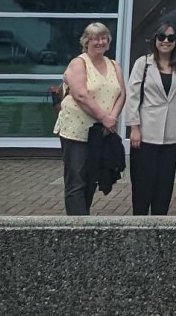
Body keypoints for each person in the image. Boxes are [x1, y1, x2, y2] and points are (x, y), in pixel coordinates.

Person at [54, 22, 126, 216]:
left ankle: (84, 219)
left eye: (103, 38)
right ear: (86, 42)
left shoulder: (114, 65)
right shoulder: (79, 63)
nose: (99, 42)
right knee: (76, 180)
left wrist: (112, 118)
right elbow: (80, 95)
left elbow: (122, 94)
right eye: (94, 38)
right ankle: (76, 227)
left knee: (91, 177)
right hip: (77, 131)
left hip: (100, 133)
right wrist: (105, 117)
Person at [124, 23, 176, 215]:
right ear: (155, 38)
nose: (166, 41)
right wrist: (134, 128)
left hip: (173, 134)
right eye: (162, 36)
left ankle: (160, 224)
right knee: (143, 184)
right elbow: (133, 97)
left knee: (165, 184)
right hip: (146, 134)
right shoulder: (143, 63)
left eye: (171, 38)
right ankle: (139, 225)